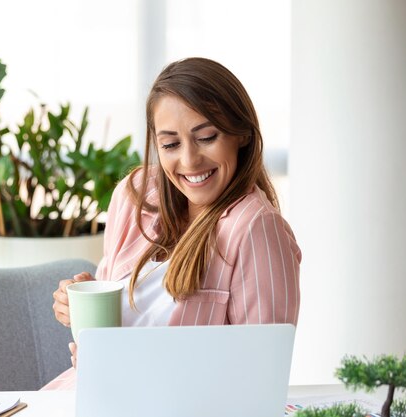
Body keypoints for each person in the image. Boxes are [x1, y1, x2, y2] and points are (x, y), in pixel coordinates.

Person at [44, 57, 301, 390]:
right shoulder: (135, 196)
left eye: (207, 137)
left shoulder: (254, 228)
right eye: (170, 144)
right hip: (87, 396)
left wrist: (130, 371)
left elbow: (260, 381)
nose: (189, 160)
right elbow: (105, 342)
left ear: (242, 135)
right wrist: (79, 304)